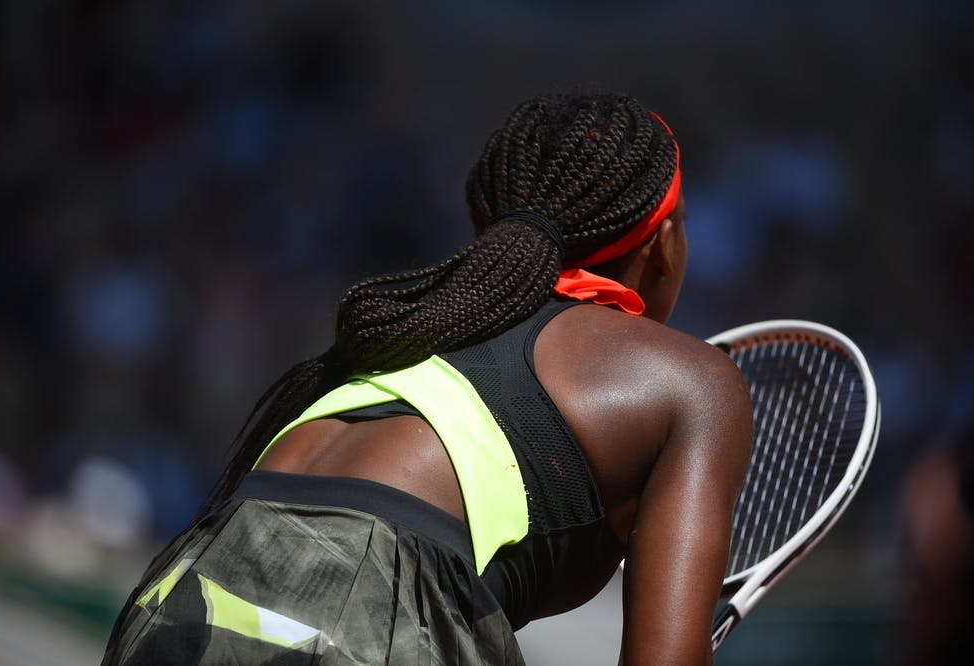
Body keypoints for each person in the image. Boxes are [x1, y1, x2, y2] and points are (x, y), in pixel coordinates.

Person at [102, 90, 753, 665]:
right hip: (374, 603)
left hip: (190, 585)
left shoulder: (408, 328)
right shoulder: (694, 382)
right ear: (664, 243)